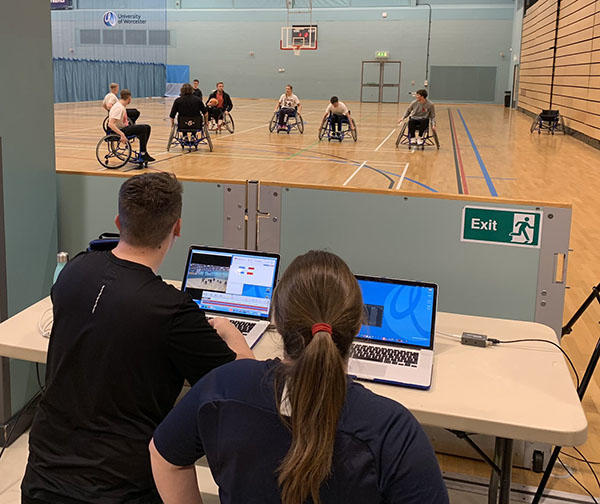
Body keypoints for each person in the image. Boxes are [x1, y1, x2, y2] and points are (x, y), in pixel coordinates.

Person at [21, 172, 254, 504]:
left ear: (118, 221)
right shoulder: (173, 311)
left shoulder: (73, 271)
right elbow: (242, 384)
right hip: (121, 489)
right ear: (177, 227)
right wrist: (233, 335)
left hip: (42, 480)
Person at [149, 250, 449, 504]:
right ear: (359, 325)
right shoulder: (393, 430)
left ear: (276, 319)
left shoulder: (223, 387)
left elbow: (164, 458)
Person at [107, 89, 154, 163]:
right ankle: (143, 154)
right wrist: (122, 134)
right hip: (119, 131)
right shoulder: (118, 107)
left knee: (147, 127)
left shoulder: (121, 106)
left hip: (123, 128)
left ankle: (143, 152)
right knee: (143, 128)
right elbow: (110, 124)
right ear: (129, 98)